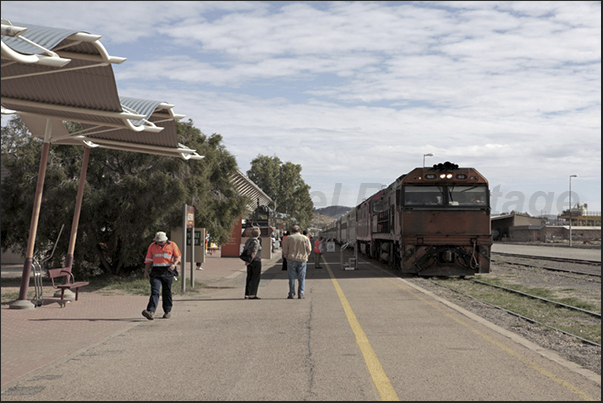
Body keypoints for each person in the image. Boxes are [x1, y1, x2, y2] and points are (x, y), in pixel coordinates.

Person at [142, 231, 181, 320]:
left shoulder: (172, 245)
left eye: (161, 241)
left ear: (165, 240)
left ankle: (167, 311)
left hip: (168, 272)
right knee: (155, 291)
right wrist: (146, 271)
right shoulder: (152, 246)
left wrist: (174, 264)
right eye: (158, 241)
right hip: (156, 272)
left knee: (166, 292)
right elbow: (148, 260)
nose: (160, 243)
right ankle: (150, 311)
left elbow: (178, 257)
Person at [282, 225, 312, 299]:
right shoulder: (305, 238)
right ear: (300, 230)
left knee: (291, 278)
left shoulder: (289, 238)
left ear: (292, 231)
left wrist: (286, 257)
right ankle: (301, 294)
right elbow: (309, 249)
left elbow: (284, 249)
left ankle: (291, 293)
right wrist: (306, 255)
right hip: (302, 260)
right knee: (301, 278)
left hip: (291, 259)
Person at [243, 226, 262, 299]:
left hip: (248, 260)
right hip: (255, 261)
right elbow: (254, 252)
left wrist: (247, 261)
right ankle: (252, 294)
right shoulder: (256, 242)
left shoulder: (248, 241)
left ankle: (247, 293)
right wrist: (250, 260)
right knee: (255, 278)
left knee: (249, 277)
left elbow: (245, 250)